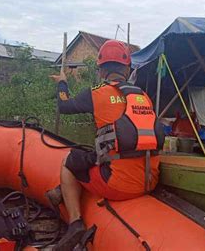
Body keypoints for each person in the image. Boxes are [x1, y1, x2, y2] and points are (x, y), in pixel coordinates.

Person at [49, 40, 163, 250]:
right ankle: (62, 191)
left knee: (69, 160)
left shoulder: (96, 93)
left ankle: (75, 223)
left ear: (101, 71)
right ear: (128, 70)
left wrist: (62, 83)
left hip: (117, 185)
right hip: (150, 181)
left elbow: (63, 105)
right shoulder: (143, 96)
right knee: (93, 153)